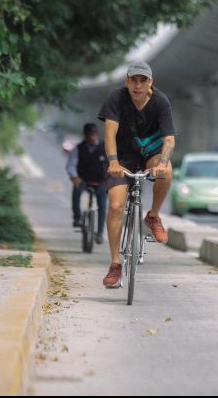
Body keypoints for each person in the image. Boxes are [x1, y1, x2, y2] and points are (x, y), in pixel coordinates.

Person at [97, 61, 177, 288]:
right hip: (122, 157)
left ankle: (152, 216)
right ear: (127, 81)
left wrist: (162, 163)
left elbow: (169, 139)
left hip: (151, 154)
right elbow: (110, 134)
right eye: (134, 80)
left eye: (143, 80)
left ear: (151, 82)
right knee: (115, 205)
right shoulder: (117, 98)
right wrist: (113, 162)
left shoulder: (161, 102)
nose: (138, 85)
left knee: (168, 170)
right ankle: (115, 265)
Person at [66, 123, 108, 244]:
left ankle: (99, 233)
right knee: (76, 192)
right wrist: (74, 176)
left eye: (94, 134)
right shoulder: (78, 148)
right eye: (89, 134)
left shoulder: (105, 148)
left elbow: (112, 164)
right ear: (85, 135)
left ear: (97, 135)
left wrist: (108, 178)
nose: (91, 137)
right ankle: (77, 217)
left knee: (103, 205)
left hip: (101, 182)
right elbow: (71, 164)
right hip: (83, 180)